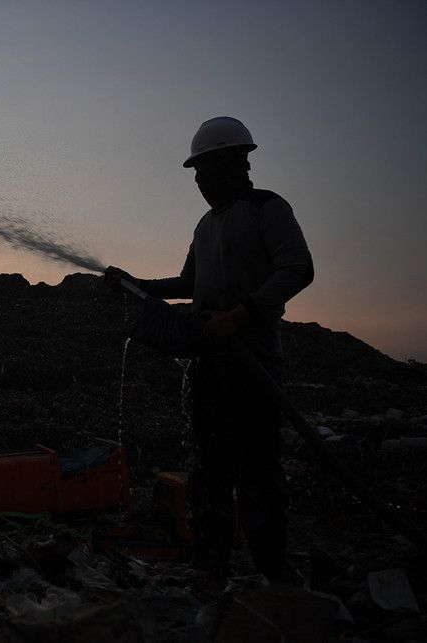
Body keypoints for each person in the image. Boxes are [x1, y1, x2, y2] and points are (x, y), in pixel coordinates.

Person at [106, 116, 314, 582]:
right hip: (210, 361)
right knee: (209, 464)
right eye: (196, 172)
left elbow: (298, 268)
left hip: (252, 360)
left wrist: (240, 315)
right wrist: (135, 283)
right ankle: (210, 564)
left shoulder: (267, 208)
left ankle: (274, 575)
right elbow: (187, 283)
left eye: (204, 169)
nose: (198, 180)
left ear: (234, 163)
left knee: (256, 469)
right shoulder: (205, 225)